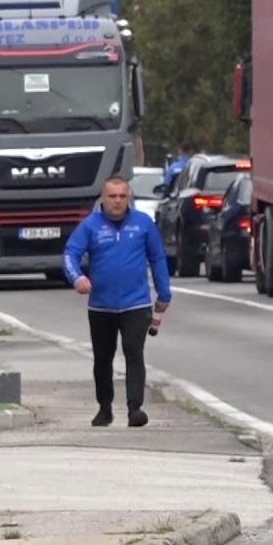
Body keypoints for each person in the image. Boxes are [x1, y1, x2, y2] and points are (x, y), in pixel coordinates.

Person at [63, 174, 172, 428]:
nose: (118, 201)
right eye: (112, 196)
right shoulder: (90, 226)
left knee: (134, 352)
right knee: (103, 358)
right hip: (101, 306)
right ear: (103, 198)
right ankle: (104, 408)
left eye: (122, 196)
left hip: (136, 304)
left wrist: (164, 294)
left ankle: (135, 409)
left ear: (128, 198)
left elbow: (157, 258)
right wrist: (77, 278)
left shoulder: (143, 224)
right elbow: (70, 253)